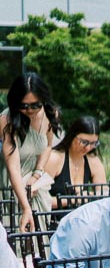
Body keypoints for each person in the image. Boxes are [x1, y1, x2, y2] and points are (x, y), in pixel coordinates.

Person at [3, 73, 60, 231]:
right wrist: (25, 206)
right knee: (16, 236)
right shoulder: (6, 120)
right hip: (10, 181)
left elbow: (47, 146)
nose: (29, 110)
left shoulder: (50, 114)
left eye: (35, 105)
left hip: (34, 182)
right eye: (23, 105)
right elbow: (12, 167)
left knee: (39, 236)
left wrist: (36, 175)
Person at [44, 115, 108, 201]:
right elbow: (40, 199)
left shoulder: (94, 162)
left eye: (93, 143)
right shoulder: (54, 159)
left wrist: (92, 195)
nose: (88, 148)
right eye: (84, 142)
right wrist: (75, 199)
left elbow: (103, 195)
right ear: (72, 136)